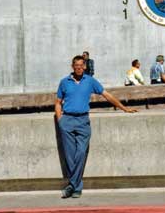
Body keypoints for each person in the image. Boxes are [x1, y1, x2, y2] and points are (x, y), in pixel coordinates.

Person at [55, 55, 137, 199]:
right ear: (72, 66)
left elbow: (107, 95)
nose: (79, 68)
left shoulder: (90, 81)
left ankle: (71, 186)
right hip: (67, 120)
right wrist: (60, 120)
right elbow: (57, 102)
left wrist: (124, 108)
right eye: (76, 65)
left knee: (80, 153)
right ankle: (77, 188)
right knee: (69, 156)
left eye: (81, 65)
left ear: (85, 66)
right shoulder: (64, 82)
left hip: (83, 121)